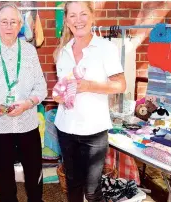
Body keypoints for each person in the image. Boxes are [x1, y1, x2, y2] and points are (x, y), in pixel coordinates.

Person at [0, 3, 47, 202]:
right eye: (4, 21)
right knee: (4, 178)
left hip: (27, 123)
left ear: (20, 24)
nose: (8, 26)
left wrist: (28, 103)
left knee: (34, 177)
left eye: (13, 21)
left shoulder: (30, 52)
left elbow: (42, 88)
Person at [52, 2, 126, 202]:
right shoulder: (62, 52)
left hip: (94, 131)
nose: (78, 20)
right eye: (73, 16)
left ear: (92, 17)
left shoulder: (106, 48)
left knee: (93, 192)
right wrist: (58, 96)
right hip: (66, 128)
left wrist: (88, 85)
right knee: (73, 185)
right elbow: (62, 88)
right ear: (66, 21)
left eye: (83, 14)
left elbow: (120, 85)